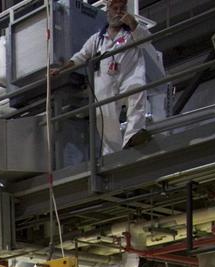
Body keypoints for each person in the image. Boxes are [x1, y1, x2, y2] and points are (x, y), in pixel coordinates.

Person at [51, 0, 153, 154]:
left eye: (122, 8)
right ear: (108, 11)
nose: (118, 12)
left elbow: (147, 41)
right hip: (106, 82)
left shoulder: (132, 33)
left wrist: (133, 23)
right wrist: (61, 70)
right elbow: (80, 57)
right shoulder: (97, 39)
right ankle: (111, 152)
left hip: (129, 76)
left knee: (137, 92)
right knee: (104, 114)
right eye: (115, 8)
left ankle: (133, 136)